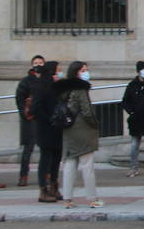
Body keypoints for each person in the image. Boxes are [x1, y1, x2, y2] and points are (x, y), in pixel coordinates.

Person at [57, 60, 101, 210]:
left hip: (68, 129)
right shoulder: (80, 88)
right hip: (82, 129)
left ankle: (67, 199)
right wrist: (95, 124)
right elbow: (87, 112)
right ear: (76, 73)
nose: (86, 73)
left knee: (70, 164)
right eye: (83, 70)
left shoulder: (64, 89)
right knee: (87, 164)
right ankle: (92, 198)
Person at [32, 61, 63, 203]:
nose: (59, 73)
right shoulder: (40, 86)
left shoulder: (56, 87)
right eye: (58, 70)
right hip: (45, 128)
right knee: (45, 159)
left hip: (57, 128)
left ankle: (53, 186)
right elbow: (35, 108)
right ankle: (43, 189)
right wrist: (50, 119)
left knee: (56, 157)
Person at [14, 55, 45, 187]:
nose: (38, 65)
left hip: (44, 117)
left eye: (40, 62)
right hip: (31, 118)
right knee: (28, 148)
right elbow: (19, 98)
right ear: (32, 65)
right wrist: (25, 113)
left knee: (46, 149)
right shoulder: (26, 81)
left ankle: (47, 175)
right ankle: (23, 176)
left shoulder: (47, 79)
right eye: (35, 63)